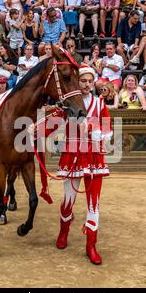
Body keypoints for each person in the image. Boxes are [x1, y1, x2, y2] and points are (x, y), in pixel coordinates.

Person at [50, 66, 113, 265]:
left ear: (93, 83)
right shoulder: (68, 103)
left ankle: (91, 246)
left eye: (89, 81)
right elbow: (52, 122)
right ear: (77, 82)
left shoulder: (98, 103)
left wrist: (97, 131)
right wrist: (36, 128)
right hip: (72, 155)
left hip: (94, 157)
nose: (86, 84)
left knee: (93, 203)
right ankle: (63, 231)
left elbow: (107, 127)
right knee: (68, 199)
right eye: (83, 81)